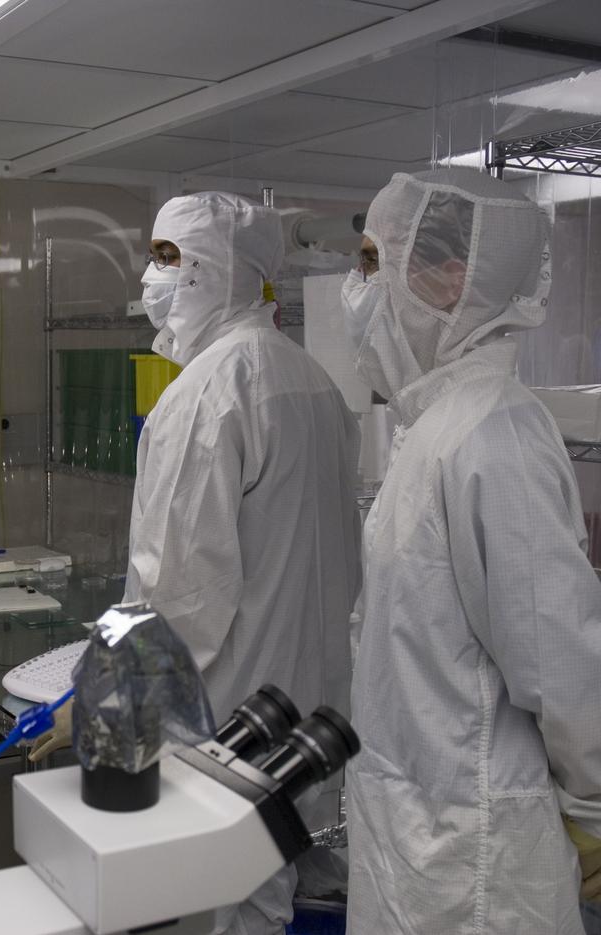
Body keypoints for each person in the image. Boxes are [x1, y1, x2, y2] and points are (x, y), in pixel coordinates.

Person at [35, 191, 363, 935]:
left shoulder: (206, 396)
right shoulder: (313, 383)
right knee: (281, 887)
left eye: (169, 257)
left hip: (228, 719)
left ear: (221, 267)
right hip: (310, 712)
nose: (150, 277)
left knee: (228, 909)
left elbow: (177, 594)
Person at [341, 167, 601, 933]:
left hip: (479, 856)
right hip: (419, 831)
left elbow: (559, 659)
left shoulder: (495, 431)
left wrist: (594, 811)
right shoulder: (435, 426)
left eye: (372, 263)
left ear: (450, 280)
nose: (358, 290)